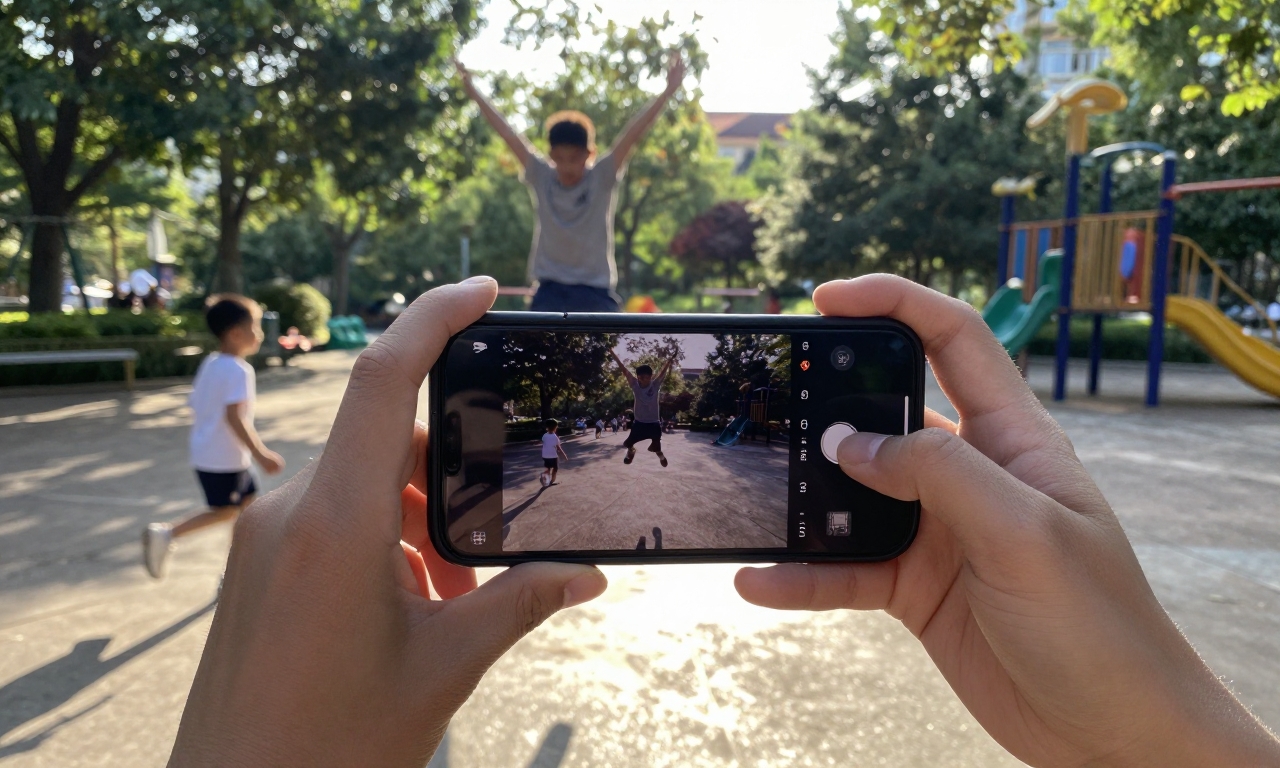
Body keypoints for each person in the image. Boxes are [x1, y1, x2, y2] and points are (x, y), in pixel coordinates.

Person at [168, 276, 1280, 767]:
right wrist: (1146, 748)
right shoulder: (629, 392)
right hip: (616, 426)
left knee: (644, 444)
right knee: (637, 444)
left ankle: (628, 450)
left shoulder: (652, 392)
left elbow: (653, 380)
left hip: (633, 426)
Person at [456, 54, 685, 313]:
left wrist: (667, 92)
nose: (566, 167)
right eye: (560, 158)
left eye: (574, 159)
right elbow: (508, 133)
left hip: (595, 291)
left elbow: (632, 134)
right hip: (550, 290)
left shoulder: (602, 176)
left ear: (590, 154)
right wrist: (474, 93)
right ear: (551, 155)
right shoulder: (541, 175)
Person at [141, 295, 285, 579]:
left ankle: (235, 570)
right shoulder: (238, 370)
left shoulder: (212, 363)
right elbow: (235, 417)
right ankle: (167, 534)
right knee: (226, 511)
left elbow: (197, 405)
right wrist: (261, 454)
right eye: (255, 327)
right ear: (235, 333)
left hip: (215, 454)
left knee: (248, 508)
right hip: (224, 459)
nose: (260, 334)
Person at [608, 349, 675, 467]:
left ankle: (662, 457)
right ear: (638, 377)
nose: (645, 380)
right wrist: (612, 353)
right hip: (639, 423)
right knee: (628, 443)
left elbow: (663, 372)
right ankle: (631, 451)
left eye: (648, 377)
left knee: (657, 448)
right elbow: (623, 368)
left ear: (651, 376)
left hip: (654, 423)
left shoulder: (655, 385)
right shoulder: (634, 384)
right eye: (642, 377)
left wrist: (669, 361)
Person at [540, 419, 569, 486]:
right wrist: (564, 455)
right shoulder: (555, 437)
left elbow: (544, 443)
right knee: (555, 468)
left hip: (545, 455)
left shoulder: (544, 435)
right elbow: (558, 448)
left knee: (548, 468)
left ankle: (545, 477)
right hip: (553, 455)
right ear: (555, 427)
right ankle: (551, 481)